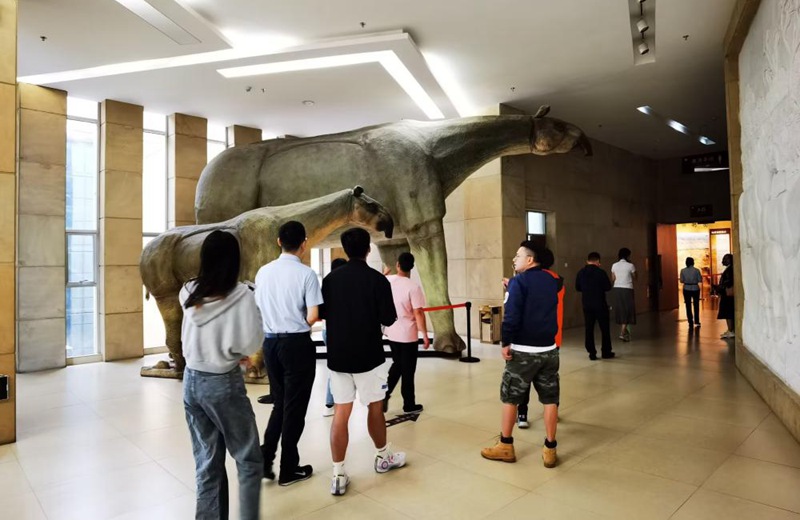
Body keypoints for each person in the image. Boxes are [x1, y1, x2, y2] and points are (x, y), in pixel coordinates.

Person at [180, 230, 264, 520]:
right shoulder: (243, 296)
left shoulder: (188, 291)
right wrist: (236, 350)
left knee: (207, 462)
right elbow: (251, 344)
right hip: (222, 383)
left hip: (191, 381)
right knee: (249, 459)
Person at [321, 227, 405, 496]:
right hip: (369, 355)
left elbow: (323, 313)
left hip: (338, 356)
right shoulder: (377, 280)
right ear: (368, 249)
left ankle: (338, 473)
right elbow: (389, 317)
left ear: (345, 249)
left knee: (341, 413)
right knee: (375, 408)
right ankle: (382, 457)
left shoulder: (330, 280)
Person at [254, 221, 322, 486]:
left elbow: (259, 307)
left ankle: (265, 458)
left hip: (270, 344)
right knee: (295, 408)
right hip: (296, 345)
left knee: (280, 403)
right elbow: (313, 315)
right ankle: (288, 468)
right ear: (304, 244)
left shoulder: (263, 272)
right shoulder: (306, 274)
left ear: (279, 242)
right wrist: (298, 323)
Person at [482, 240, 561, 468]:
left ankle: (505, 446)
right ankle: (550, 449)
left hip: (523, 352)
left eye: (518, 255)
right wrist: (514, 287)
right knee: (550, 399)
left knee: (510, 397)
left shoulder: (519, 282)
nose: (514, 259)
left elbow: (512, 316)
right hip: (549, 350)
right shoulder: (551, 281)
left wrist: (505, 342)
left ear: (530, 259)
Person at [515, 248, 563, 429]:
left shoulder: (530, 280)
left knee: (523, 379)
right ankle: (553, 413)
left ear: (533, 259)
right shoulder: (556, 280)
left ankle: (522, 414)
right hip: (553, 338)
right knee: (550, 382)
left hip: (528, 341)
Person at [384, 252, 430, 415]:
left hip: (392, 332)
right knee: (408, 370)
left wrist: (384, 273)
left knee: (397, 364)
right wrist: (424, 334)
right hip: (408, 335)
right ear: (412, 267)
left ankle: (385, 394)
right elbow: (418, 312)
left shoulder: (388, 281)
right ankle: (408, 404)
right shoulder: (413, 287)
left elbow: (379, 282)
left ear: (398, 265)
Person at [576, 251, 614, 360]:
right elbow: (607, 287)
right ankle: (606, 352)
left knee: (589, 328)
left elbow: (577, 287)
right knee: (604, 328)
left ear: (587, 261)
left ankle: (591, 353)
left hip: (587, 304)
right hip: (600, 304)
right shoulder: (600, 272)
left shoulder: (581, 273)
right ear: (598, 261)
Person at [322, 258, 348, 417]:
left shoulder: (327, 284)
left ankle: (331, 403)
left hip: (327, 330)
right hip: (339, 331)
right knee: (337, 370)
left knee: (335, 368)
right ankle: (331, 402)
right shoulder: (344, 286)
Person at [611, 247, 637, 341]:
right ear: (628, 256)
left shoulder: (614, 265)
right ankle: (622, 333)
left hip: (617, 289)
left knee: (621, 309)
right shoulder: (630, 265)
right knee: (628, 310)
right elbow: (635, 277)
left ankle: (624, 331)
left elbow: (613, 278)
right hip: (627, 289)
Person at [680, 257, 703, 329]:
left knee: (688, 305)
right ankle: (697, 320)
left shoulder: (683, 270)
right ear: (693, 262)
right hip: (695, 288)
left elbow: (681, 280)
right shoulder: (697, 270)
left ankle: (690, 321)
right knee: (696, 305)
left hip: (686, 288)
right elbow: (700, 280)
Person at [717, 253, 735, 338]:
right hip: (726, 292)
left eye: (725, 259)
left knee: (728, 312)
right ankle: (730, 329)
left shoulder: (730, 269)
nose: (723, 260)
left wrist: (721, 287)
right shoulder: (730, 268)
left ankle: (731, 330)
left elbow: (729, 281)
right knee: (728, 312)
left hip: (727, 294)